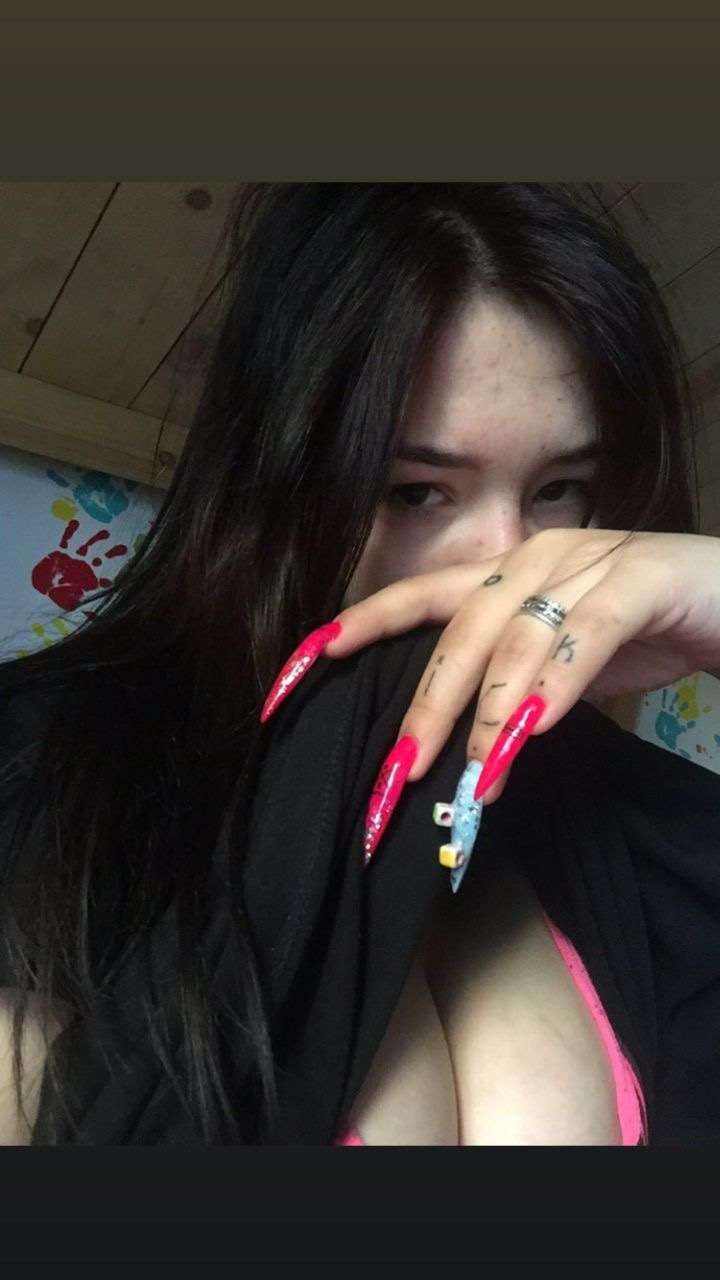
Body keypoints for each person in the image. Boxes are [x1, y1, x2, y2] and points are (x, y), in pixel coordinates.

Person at [0, 182, 719, 1145]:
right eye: (417, 491)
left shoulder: (655, 832)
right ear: (275, 488)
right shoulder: (39, 767)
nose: (513, 559)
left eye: (560, 488)